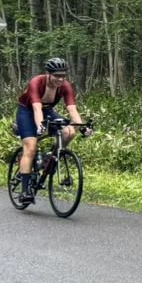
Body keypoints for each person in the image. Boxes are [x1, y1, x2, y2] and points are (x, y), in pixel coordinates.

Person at [14, 57, 88, 205]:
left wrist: (82, 127)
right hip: (27, 111)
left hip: (47, 110)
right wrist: (40, 126)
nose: (60, 79)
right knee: (31, 146)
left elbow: (72, 109)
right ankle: (25, 191)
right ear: (48, 73)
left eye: (63, 76)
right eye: (57, 76)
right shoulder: (37, 82)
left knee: (69, 132)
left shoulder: (65, 86)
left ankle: (52, 157)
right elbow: (36, 108)